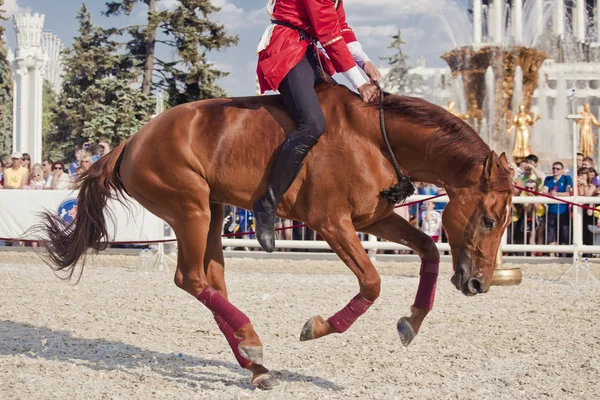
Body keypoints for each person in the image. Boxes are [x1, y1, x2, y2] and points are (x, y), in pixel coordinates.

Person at [253, 0, 381, 252]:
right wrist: (360, 82)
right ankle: (267, 205)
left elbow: (341, 27)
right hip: (287, 47)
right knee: (313, 124)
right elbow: (329, 34)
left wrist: (364, 61)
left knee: (340, 117)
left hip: (308, 51)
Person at [542, 162, 573, 252]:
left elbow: (569, 193)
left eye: (557, 169)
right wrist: (551, 194)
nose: (555, 170)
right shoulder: (548, 179)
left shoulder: (567, 179)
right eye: (553, 168)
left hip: (564, 211)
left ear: (562, 170)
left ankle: (563, 255)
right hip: (551, 211)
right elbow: (544, 191)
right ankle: (552, 255)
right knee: (551, 234)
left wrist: (557, 194)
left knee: (564, 233)